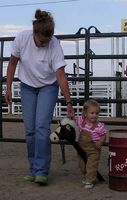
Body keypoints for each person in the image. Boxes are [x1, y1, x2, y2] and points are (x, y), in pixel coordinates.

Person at [5, 9, 74, 185]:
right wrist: (8, 88)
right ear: (35, 32)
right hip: (27, 86)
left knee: (42, 128)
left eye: (47, 41)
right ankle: (33, 169)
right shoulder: (22, 38)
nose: (44, 44)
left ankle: (42, 171)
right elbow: (12, 63)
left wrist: (69, 102)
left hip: (48, 87)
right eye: (42, 41)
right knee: (29, 131)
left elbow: (60, 74)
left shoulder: (54, 44)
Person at [75, 99, 107, 189]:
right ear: (85, 113)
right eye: (92, 113)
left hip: (94, 149)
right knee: (82, 165)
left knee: (91, 165)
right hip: (82, 148)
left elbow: (104, 135)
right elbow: (73, 120)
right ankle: (88, 176)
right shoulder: (81, 121)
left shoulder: (99, 126)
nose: (94, 115)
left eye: (97, 113)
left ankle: (90, 180)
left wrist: (100, 142)